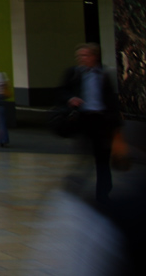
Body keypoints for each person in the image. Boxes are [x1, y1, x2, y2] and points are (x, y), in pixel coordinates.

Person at [58, 43, 122, 204]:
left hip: (101, 120)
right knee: (84, 156)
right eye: (79, 56)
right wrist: (70, 99)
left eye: (85, 55)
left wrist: (116, 124)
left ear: (94, 56)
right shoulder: (74, 74)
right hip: (83, 119)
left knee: (102, 160)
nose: (81, 59)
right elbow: (62, 91)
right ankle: (77, 190)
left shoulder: (104, 74)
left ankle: (103, 193)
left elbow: (111, 99)